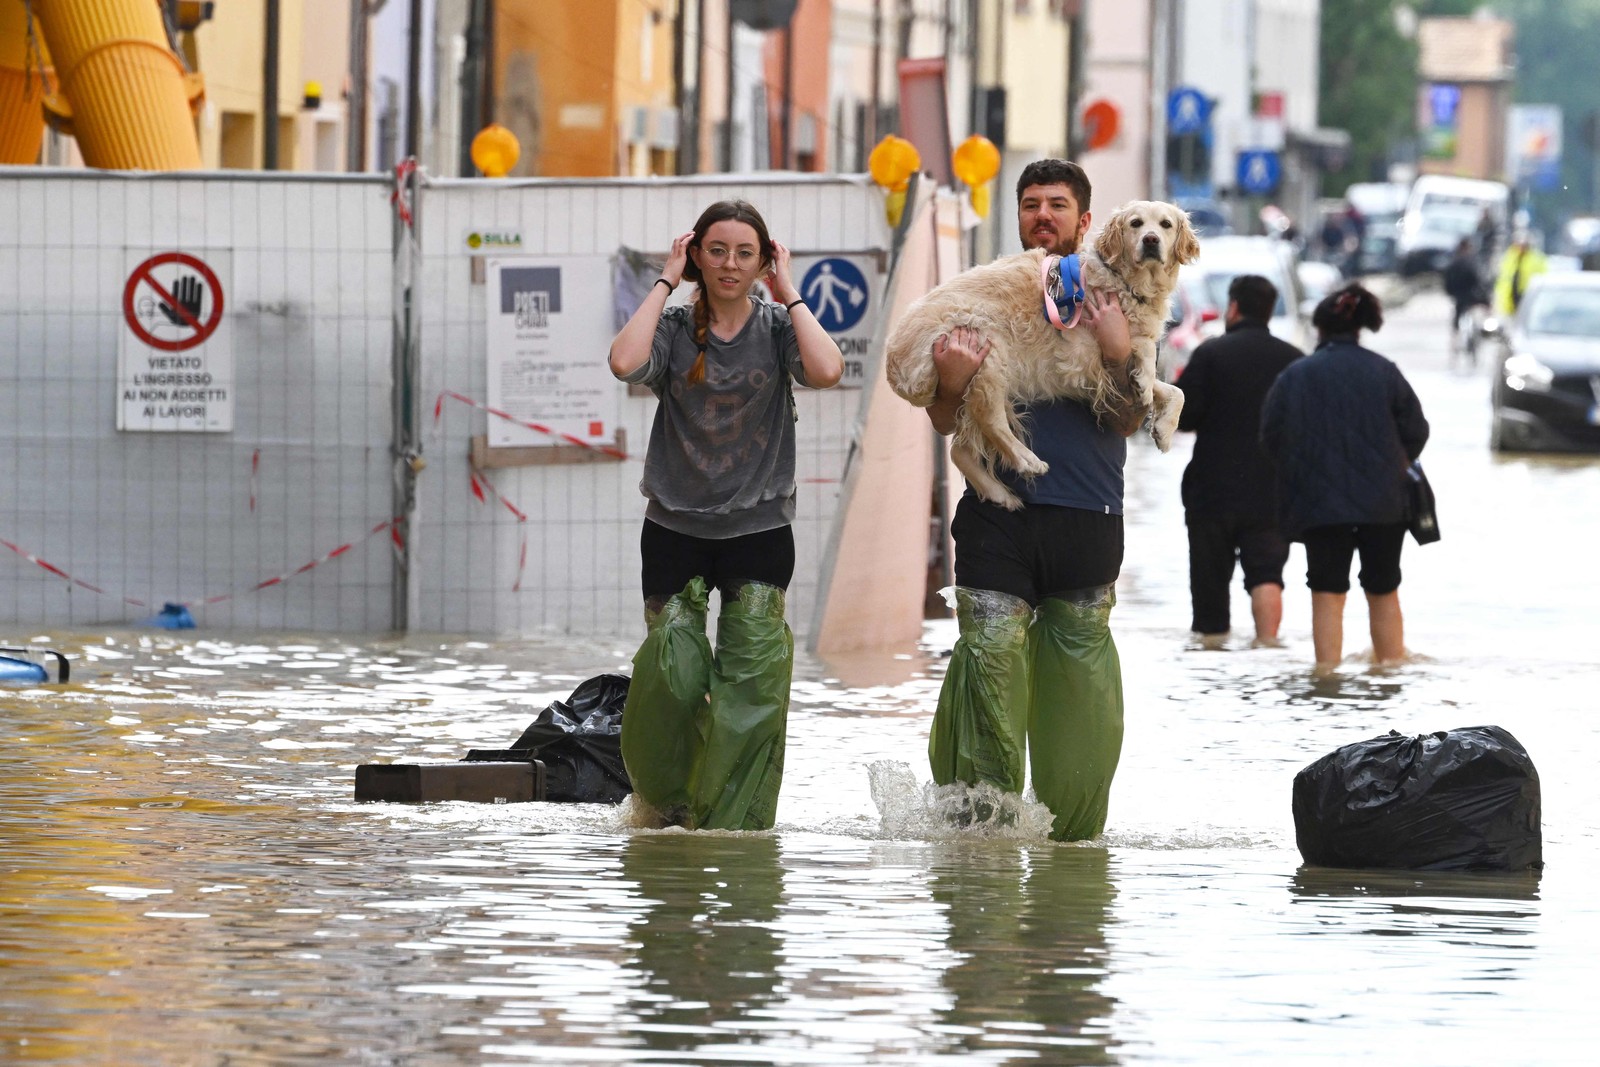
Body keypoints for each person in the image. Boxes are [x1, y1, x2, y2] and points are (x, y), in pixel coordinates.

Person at [921, 159, 1142, 841]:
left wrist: (1116, 352)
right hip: (997, 519)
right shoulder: (985, 295)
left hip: (1087, 519)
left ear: (1084, 216)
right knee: (987, 663)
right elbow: (941, 417)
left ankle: (1072, 852)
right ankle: (982, 840)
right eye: (1030, 204)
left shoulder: (1118, 298)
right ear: (1016, 216)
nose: (1042, 215)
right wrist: (953, 383)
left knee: (1078, 697)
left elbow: (1132, 417)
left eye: (1056, 204)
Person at [607, 199, 844, 830]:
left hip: (759, 531)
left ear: (763, 259)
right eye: (716, 251)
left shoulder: (775, 327)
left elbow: (826, 370)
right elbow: (624, 362)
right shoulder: (676, 328)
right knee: (673, 679)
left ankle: (732, 827)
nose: (730, 265)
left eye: (745, 252)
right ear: (696, 257)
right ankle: (668, 807)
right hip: (674, 528)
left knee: (752, 688)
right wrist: (664, 278)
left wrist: (789, 289)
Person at [1260, 284, 1430, 672]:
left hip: (1319, 504)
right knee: (1383, 588)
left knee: (1327, 590)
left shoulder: (1294, 376)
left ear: (1319, 328)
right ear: (1360, 328)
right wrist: (1388, 465)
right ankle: (1389, 673)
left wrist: (1305, 472)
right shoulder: (1385, 371)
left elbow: (1271, 438)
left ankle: (1327, 678)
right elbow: (1417, 431)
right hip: (1385, 503)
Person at [1175, 274, 1302, 650]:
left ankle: (1213, 659)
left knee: (1210, 593)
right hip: (1271, 493)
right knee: (1267, 576)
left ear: (1233, 308)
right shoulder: (1293, 360)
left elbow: (1183, 417)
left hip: (1211, 493)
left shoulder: (1211, 354)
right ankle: (1268, 647)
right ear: (1267, 309)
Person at [1442, 237, 1488, 360]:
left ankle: (1454, 349)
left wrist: (1451, 294)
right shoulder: (1470, 262)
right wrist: (1485, 301)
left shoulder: (1453, 262)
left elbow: (1447, 283)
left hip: (1458, 298)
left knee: (1456, 324)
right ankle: (1466, 346)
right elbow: (1478, 281)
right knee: (1473, 322)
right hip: (1470, 298)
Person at [1493, 231, 1548, 318]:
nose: (1520, 247)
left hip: (1527, 299)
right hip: (1509, 304)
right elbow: (1502, 279)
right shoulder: (1509, 257)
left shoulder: (1536, 259)